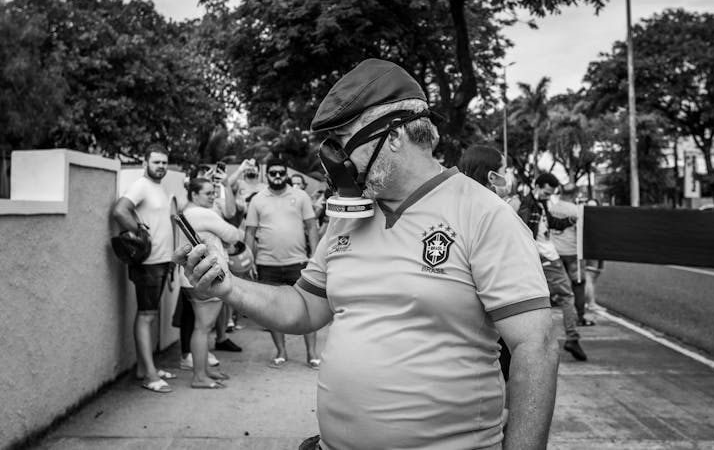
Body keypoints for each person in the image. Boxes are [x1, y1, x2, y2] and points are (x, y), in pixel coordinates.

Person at [175, 58, 559, 449]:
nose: (335, 162)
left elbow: (535, 346)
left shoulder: (483, 214)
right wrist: (228, 287)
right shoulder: (349, 217)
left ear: (393, 135)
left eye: (343, 143)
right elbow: (304, 307)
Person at [244, 157, 321, 368]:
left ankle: (312, 354)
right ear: (266, 175)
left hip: (298, 261)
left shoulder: (301, 196)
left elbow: (311, 227)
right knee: (273, 311)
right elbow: (249, 232)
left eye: (281, 172)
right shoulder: (257, 199)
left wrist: (314, 256)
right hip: (267, 263)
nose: (277, 176)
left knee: (308, 309)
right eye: (273, 173)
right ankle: (281, 351)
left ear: (286, 174)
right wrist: (248, 259)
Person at [112, 144, 176, 393]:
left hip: (161, 261)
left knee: (150, 315)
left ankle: (144, 368)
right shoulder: (140, 185)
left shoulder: (158, 187)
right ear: (145, 162)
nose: (161, 166)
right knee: (146, 315)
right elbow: (120, 210)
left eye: (164, 162)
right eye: (156, 162)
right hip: (147, 263)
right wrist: (139, 233)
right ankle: (150, 376)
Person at [457, 143, 519, 381]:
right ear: (493, 176)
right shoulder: (497, 213)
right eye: (506, 169)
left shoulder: (451, 206)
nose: (509, 175)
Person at [518, 172, 588, 361]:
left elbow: (550, 224)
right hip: (546, 256)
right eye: (547, 193)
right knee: (566, 295)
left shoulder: (541, 204)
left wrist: (569, 221)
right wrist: (536, 256)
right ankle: (571, 337)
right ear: (537, 186)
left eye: (551, 194)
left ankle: (533, 340)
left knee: (539, 296)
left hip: (547, 254)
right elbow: (523, 231)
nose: (549, 197)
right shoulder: (528, 204)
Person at [180, 177, 240, 388]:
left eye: (214, 192)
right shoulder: (202, 213)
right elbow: (233, 234)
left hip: (193, 278)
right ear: (194, 194)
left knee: (202, 326)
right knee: (203, 328)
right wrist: (222, 234)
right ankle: (199, 376)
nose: (213, 197)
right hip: (206, 277)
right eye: (208, 193)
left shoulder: (188, 213)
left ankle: (204, 371)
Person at [548, 183, 594, 326]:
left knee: (554, 285)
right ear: (575, 194)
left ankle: (549, 318)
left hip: (554, 252)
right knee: (578, 284)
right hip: (573, 252)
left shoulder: (552, 208)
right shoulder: (576, 210)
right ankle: (580, 317)